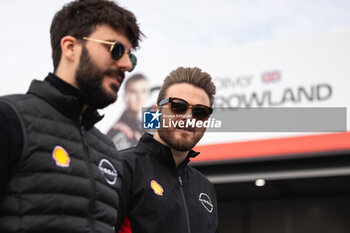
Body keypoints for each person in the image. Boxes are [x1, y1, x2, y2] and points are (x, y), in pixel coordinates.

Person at [0, 0, 142, 232]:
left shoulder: (110, 153)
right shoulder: (9, 119)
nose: (126, 65)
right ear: (70, 47)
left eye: (131, 57)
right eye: (116, 49)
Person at [117, 67, 218, 233]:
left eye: (200, 111)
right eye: (178, 106)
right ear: (157, 111)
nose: (188, 117)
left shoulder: (205, 188)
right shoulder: (123, 167)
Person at [107, 74, 149, 150]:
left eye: (143, 91)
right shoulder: (118, 131)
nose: (139, 97)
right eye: (134, 92)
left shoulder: (141, 126)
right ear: (124, 96)